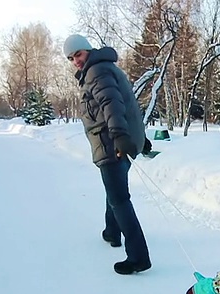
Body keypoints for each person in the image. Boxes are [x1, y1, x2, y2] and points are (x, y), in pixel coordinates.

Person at [63, 34, 151, 275]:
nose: (76, 61)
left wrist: (122, 135)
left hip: (112, 143)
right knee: (114, 191)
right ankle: (112, 232)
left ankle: (138, 256)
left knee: (119, 198)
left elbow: (112, 105)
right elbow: (127, 103)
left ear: (88, 50)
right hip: (119, 141)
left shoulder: (97, 72)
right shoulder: (106, 68)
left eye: (78, 55)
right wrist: (136, 137)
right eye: (71, 58)